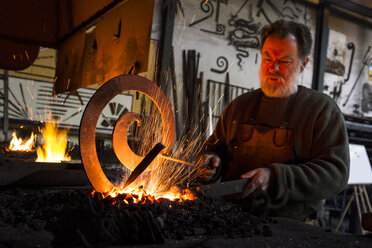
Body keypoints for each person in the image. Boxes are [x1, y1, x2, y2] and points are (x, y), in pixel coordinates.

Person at [197, 20, 350, 222]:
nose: (273, 68)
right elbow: (215, 151)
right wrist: (210, 165)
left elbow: (336, 173)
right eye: (268, 58)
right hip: (231, 218)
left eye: (285, 61)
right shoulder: (239, 106)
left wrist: (276, 178)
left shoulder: (320, 110)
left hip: (291, 227)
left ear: (303, 64)